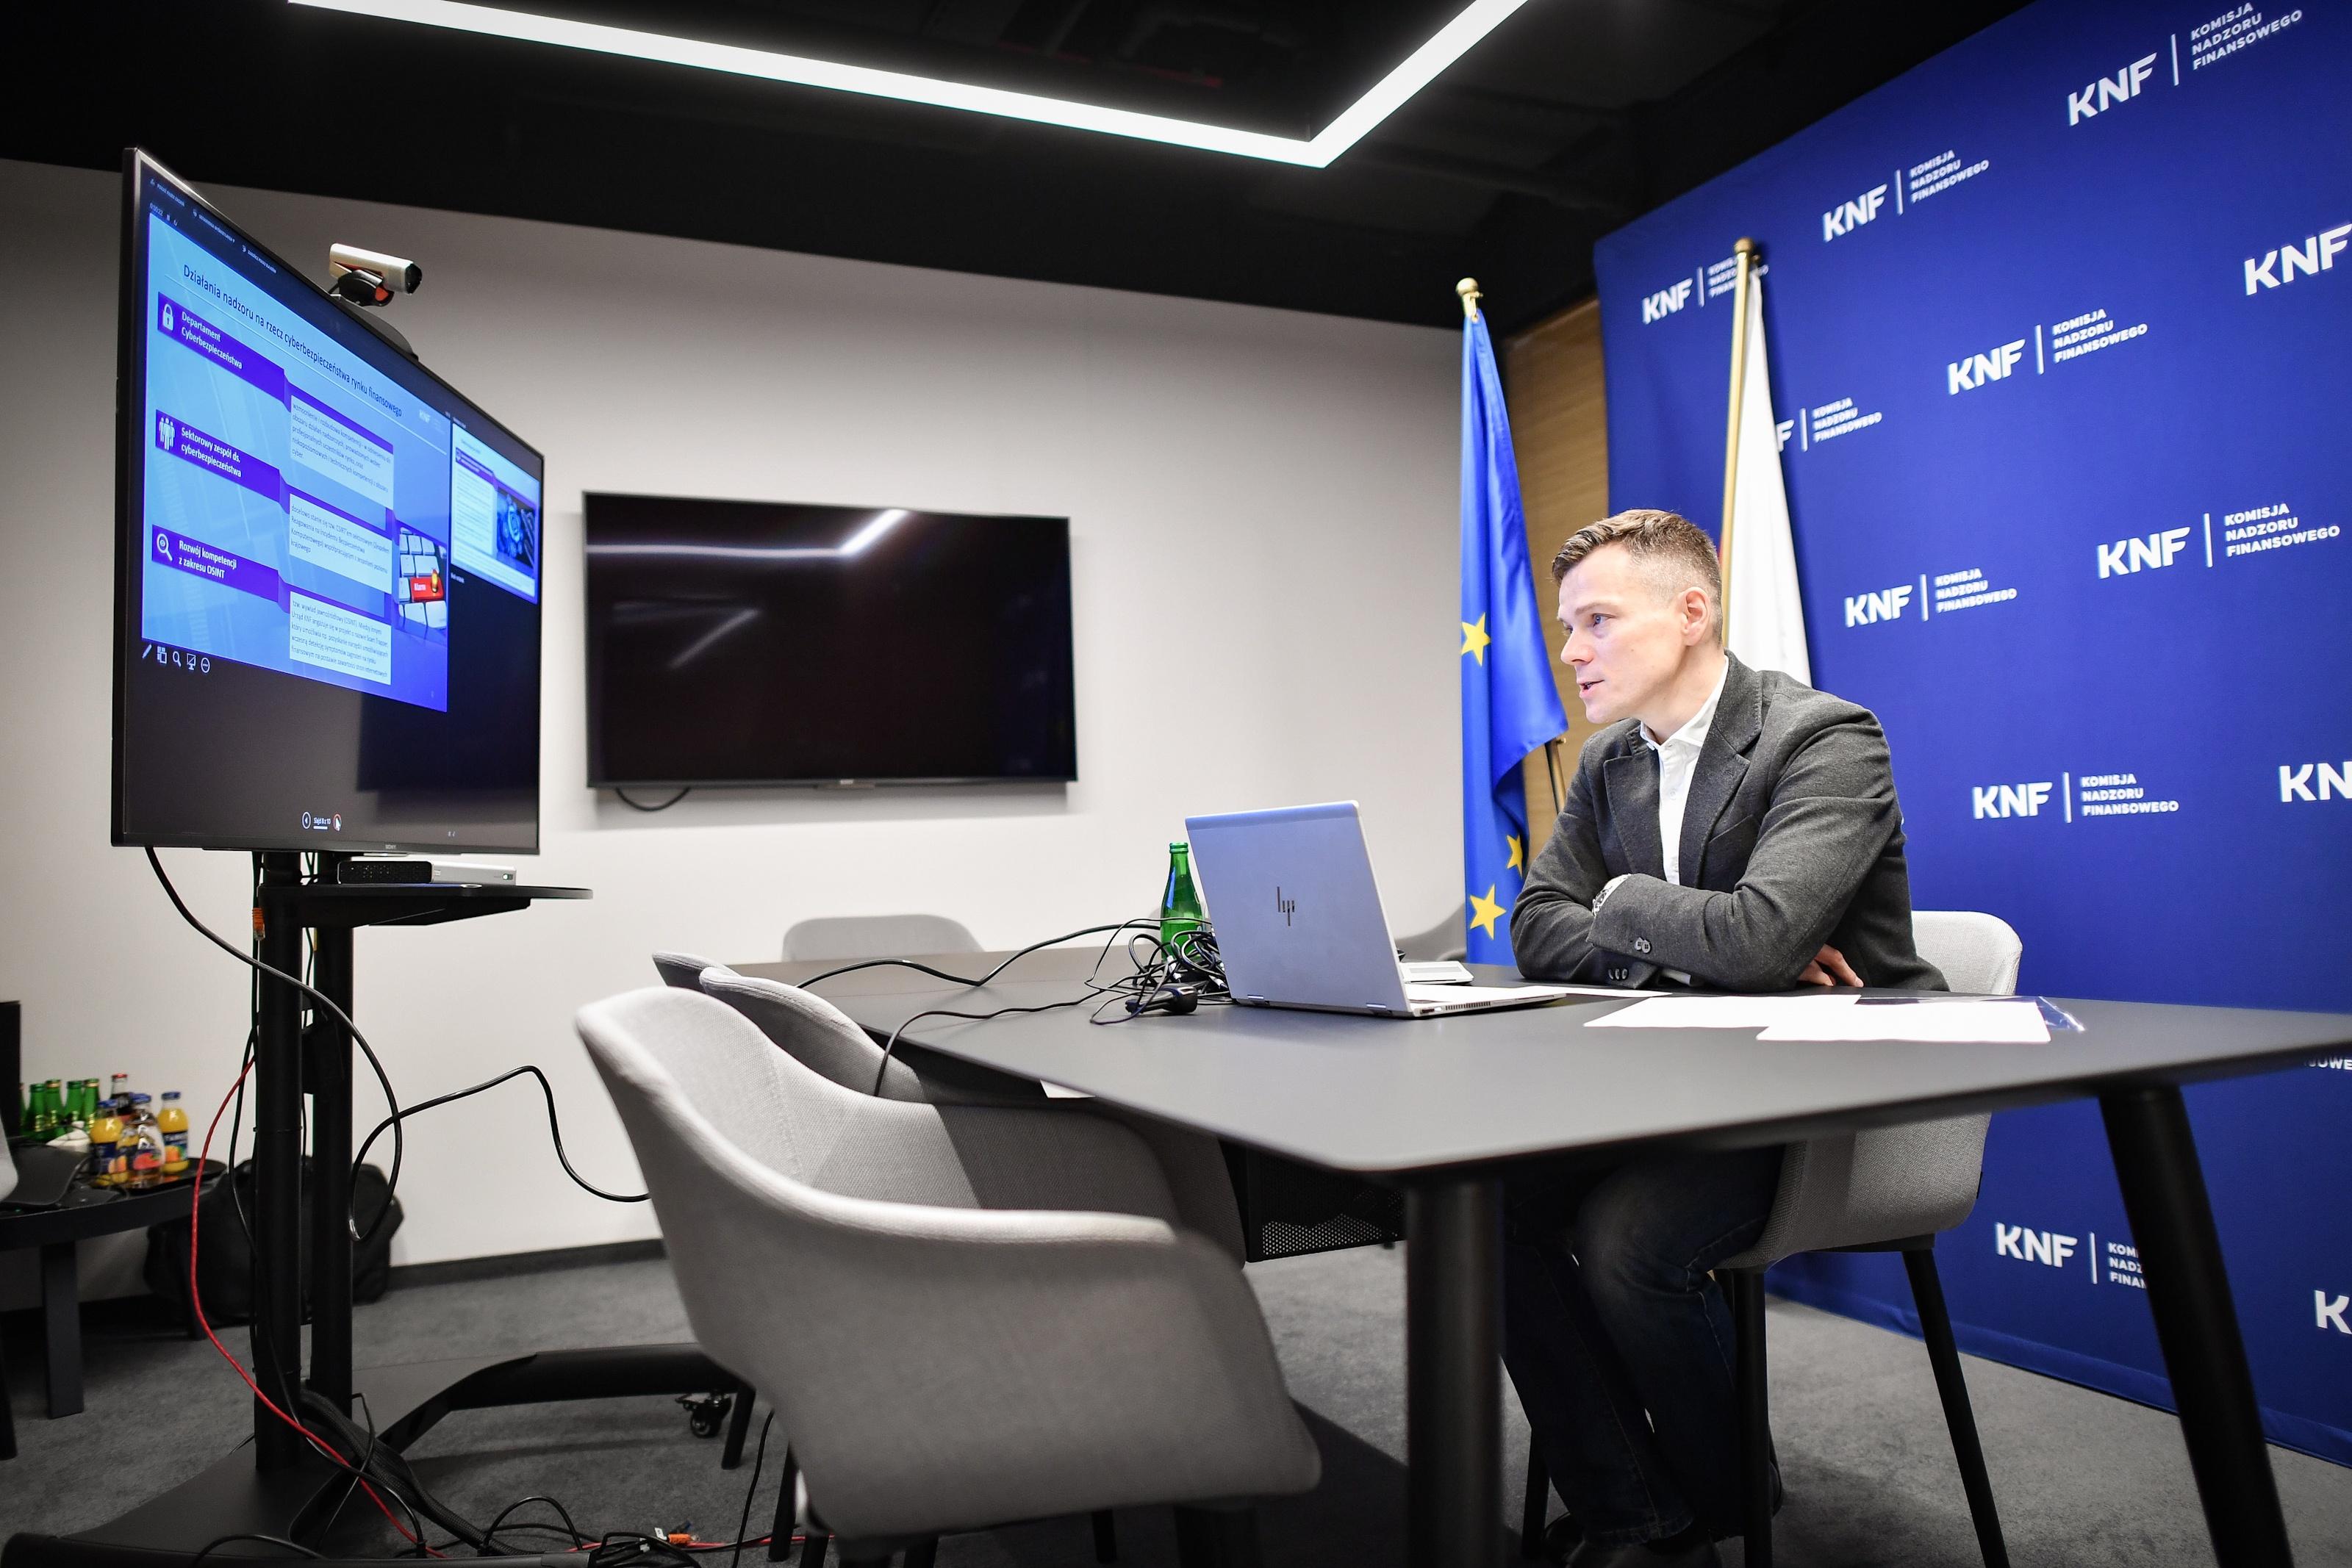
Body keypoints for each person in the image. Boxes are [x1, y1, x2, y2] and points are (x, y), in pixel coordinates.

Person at [1505, 508, 1943, 1567]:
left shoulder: (1824, 737)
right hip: (1685, 1087)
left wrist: (1623, 901)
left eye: (1598, 621)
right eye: (1567, 628)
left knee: (1630, 1239)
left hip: (1828, 1097)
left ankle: (1725, 1501)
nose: (1571, 651)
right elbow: (1533, 926)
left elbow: (1762, 936)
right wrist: (1693, 946)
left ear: (1692, 613)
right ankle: (1640, 1516)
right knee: (1485, 1203)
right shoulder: (1611, 760)